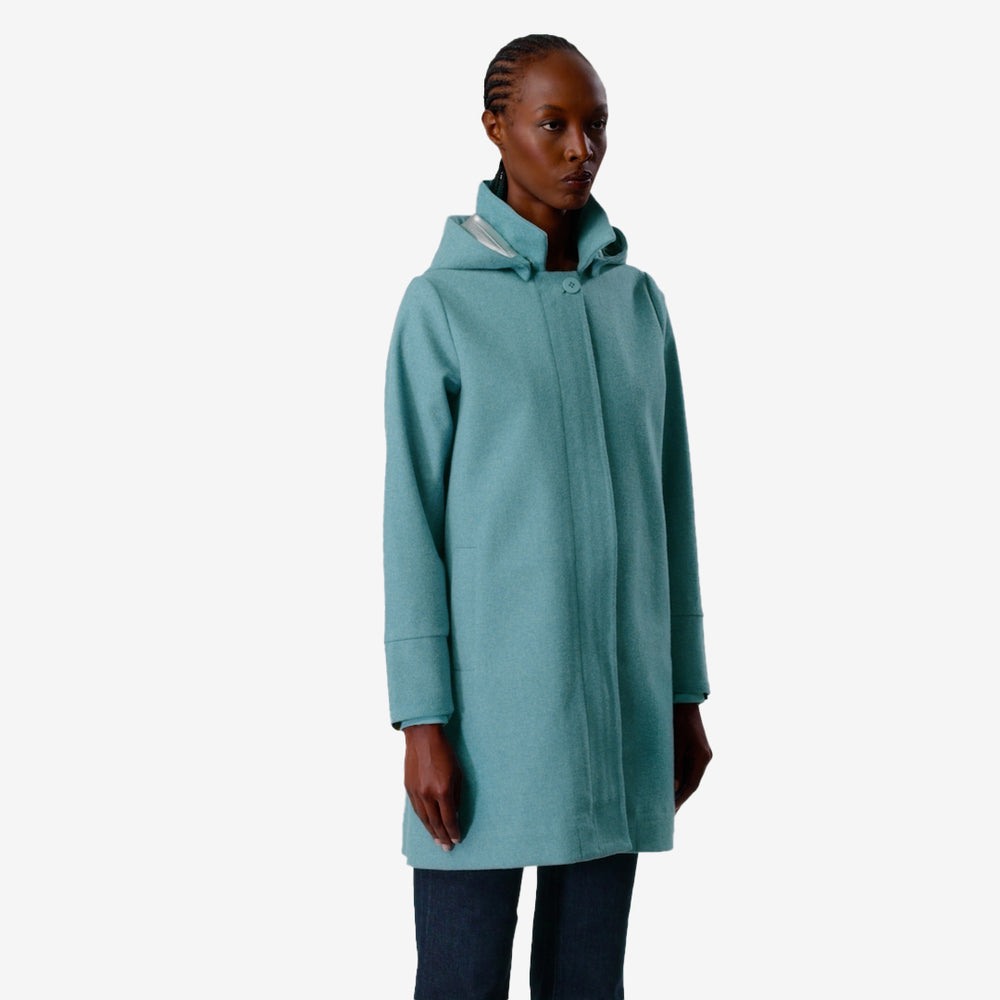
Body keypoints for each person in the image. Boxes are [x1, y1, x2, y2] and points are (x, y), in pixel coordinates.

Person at [383, 34, 712, 1000]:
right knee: (460, 979)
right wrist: (421, 720)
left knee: (588, 982)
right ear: (495, 128)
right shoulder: (441, 308)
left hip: (621, 704)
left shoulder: (637, 304)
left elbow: (672, 504)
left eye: (595, 125)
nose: (581, 149)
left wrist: (683, 692)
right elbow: (410, 524)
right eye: (552, 124)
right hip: (485, 722)